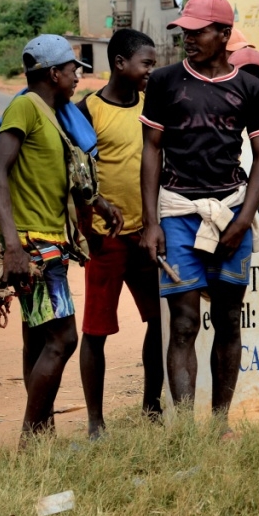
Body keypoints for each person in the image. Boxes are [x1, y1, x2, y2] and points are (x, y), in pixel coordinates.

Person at [140, 0, 259, 420]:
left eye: (198, 32)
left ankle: (220, 424)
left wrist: (244, 219)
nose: (189, 39)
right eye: (185, 32)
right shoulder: (163, 82)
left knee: (229, 319)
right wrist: (151, 223)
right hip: (177, 211)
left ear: (224, 34)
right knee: (182, 323)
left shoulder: (250, 89)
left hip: (231, 210)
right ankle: (184, 430)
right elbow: (151, 151)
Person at [0, 35, 121, 442]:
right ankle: (31, 439)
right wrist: (13, 246)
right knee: (63, 338)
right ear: (52, 73)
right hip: (35, 245)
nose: (77, 77)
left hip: (52, 242)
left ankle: (42, 435)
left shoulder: (54, 113)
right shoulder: (26, 107)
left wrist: (99, 204)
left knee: (38, 337)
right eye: (71, 70)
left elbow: (65, 177)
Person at [75, 28, 162, 437]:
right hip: (104, 239)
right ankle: (96, 422)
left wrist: (153, 223)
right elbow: (73, 173)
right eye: (146, 63)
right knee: (96, 331)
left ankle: (152, 407)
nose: (151, 70)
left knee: (158, 322)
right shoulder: (87, 110)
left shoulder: (151, 105)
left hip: (145, 235)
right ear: (119, 64)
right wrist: (86, 227)